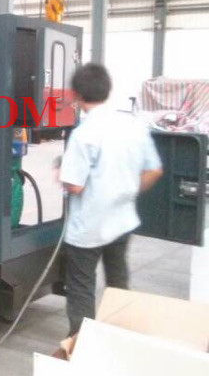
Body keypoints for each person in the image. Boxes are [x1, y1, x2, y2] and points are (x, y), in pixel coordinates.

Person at [59, 63, 163, 336]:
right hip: (122, 220)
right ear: (108, 89)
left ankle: (80, 343)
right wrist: (126, 189)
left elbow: (74, 185)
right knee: (118, 282)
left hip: (89, 228)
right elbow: (154, 170)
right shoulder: (133, 125)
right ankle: (120, 337)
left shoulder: (84, 134)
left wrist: (60, 172)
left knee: (81, 287)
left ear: (76, 95)